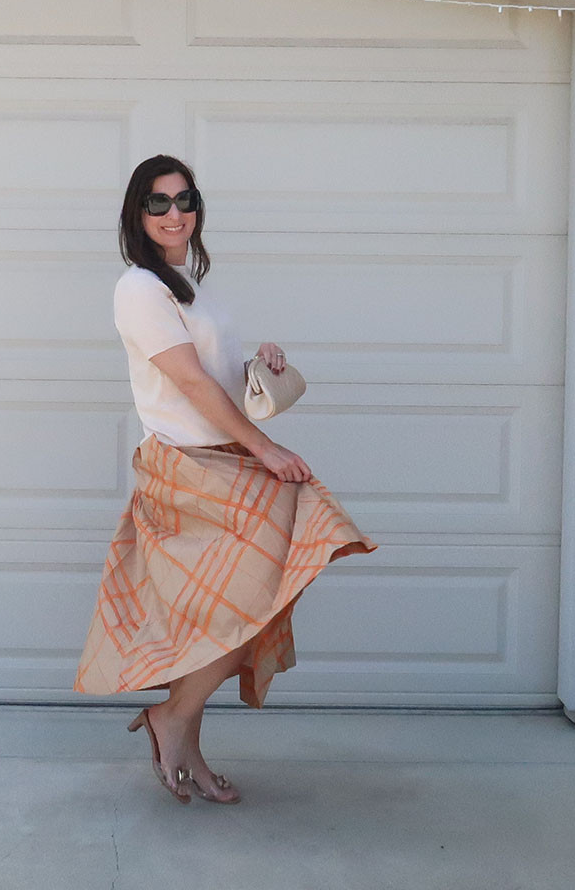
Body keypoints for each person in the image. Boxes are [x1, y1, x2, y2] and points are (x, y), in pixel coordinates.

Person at [73, 154, 375, 805]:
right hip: (191, 469)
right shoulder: (138, 288)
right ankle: (171, 720)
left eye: (186, 200)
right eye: (159, 203)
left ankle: (182, 735)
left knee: (217, 613)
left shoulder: (186, 287)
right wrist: (265, 447)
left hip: (223, 459)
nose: (176, 213)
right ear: (138, 213)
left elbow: (207, 373)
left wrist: (254, 362)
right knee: (241, 602)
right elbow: (184, 382)